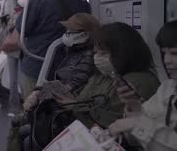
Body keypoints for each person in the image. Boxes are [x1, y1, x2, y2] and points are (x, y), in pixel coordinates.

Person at [20, 22, 160, 150]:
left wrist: (74, 106)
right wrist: (41, 91)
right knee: (26, 131)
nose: (97, 57)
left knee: (28, 138)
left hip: (103, 141)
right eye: (96, 52)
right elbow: (82, 95)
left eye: (103, 53)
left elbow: (105, 125)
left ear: (123, 53)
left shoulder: (138, 82)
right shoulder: (102, 75)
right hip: (80, 128)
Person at [18, 0, 91, 99]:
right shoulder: (82, 1)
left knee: (34, 106)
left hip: (38, 63)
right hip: (71, 66)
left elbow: (22, 28)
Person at [109, 20, 177, 150]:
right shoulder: (167, 89)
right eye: (164, 53)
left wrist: (137, 124)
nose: (167, 60)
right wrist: (135, 109)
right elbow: (137, 137)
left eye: (174, 53)